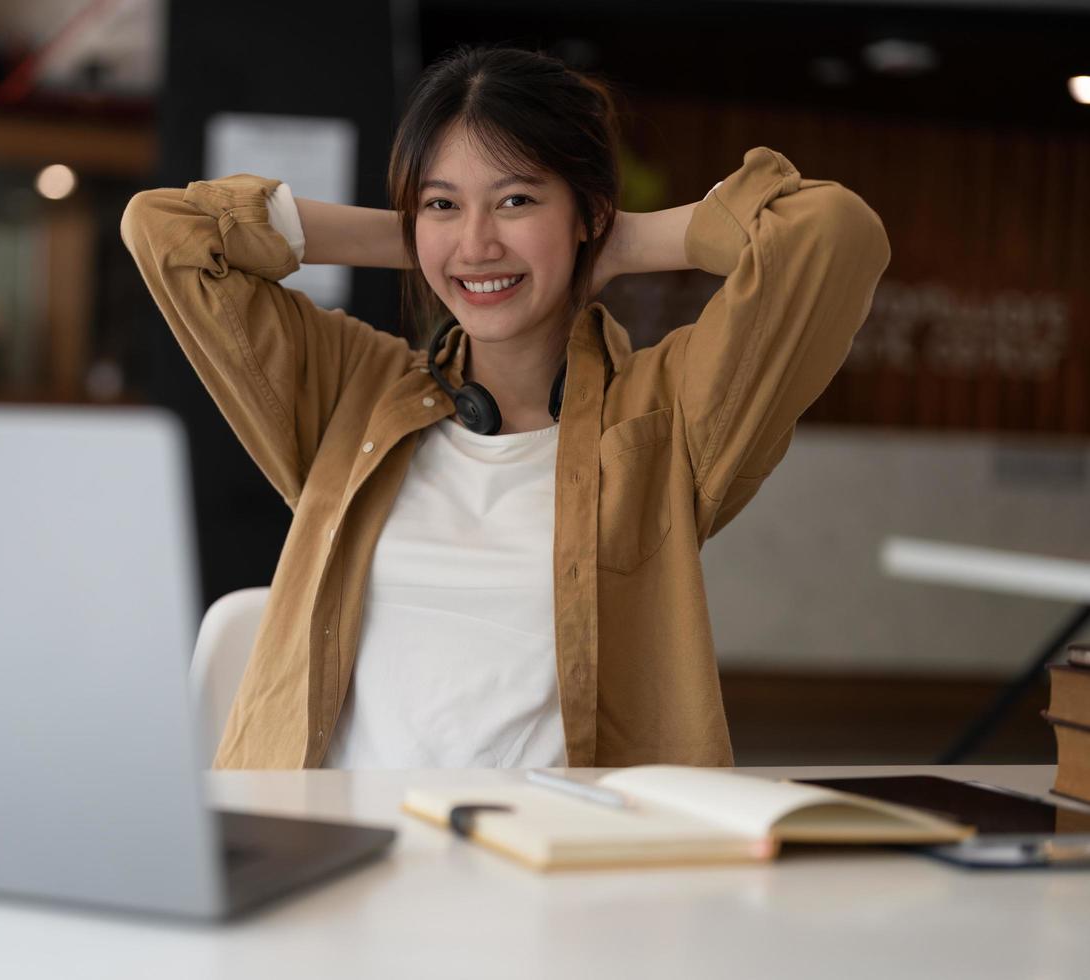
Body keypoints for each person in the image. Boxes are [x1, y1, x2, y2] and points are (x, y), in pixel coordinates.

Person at [120, 44, 890, 770]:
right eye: (443, 203)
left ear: (587, 212)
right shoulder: (353, 390)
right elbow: (167, 230)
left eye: (517, 199)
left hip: (559, 870)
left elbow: (833, 234)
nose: (479, 242)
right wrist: (425, 242)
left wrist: (620, 243)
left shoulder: (664, 417)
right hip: (334, 860)